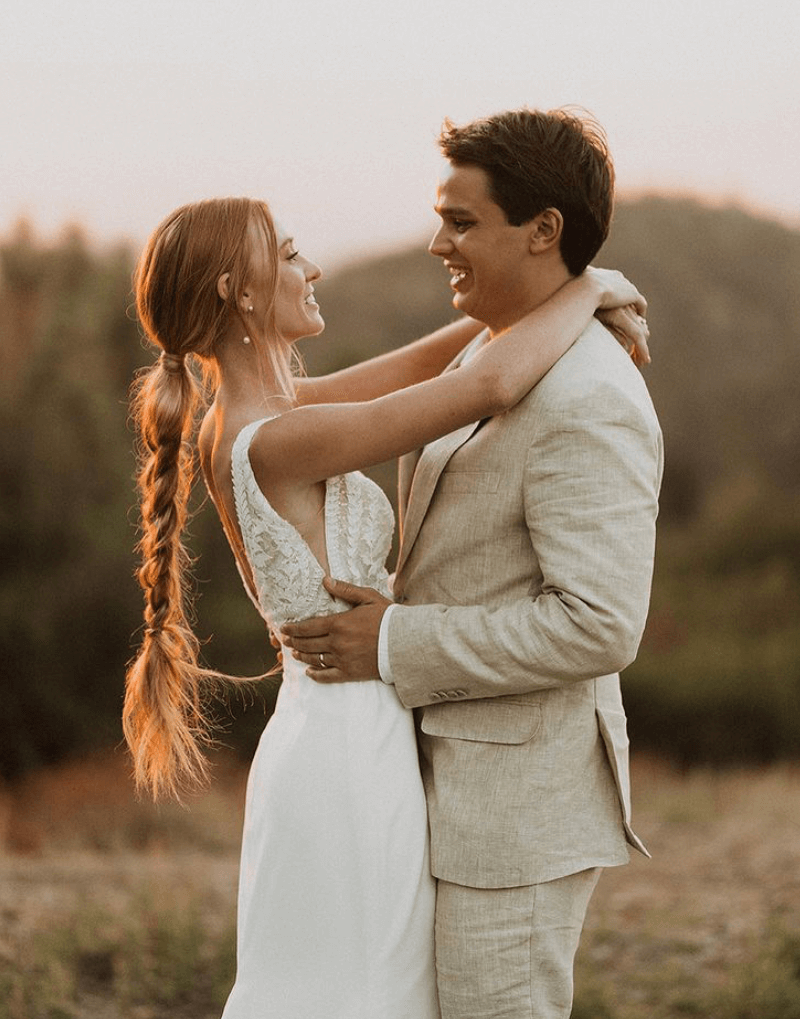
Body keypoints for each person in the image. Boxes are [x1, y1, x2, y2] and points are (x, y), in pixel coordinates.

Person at [123, 191, 648, 1019]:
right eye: (291, 254)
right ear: (241, 291)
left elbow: (443, 360)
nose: (312, 267)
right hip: (344, 750)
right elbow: (488, 385)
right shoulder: (277, 438)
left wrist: (542, 297)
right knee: (360, 989)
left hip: (346, 728)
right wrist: (588, 291)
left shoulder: (269, 412)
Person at [281, 108, 664, 1019]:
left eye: (461, 221)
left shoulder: (589, 396)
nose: (435, 243)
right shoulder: (495, 350)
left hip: (514, 823)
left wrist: (395, 639)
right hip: (428, 792)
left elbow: (599, 623)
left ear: (542, 232)